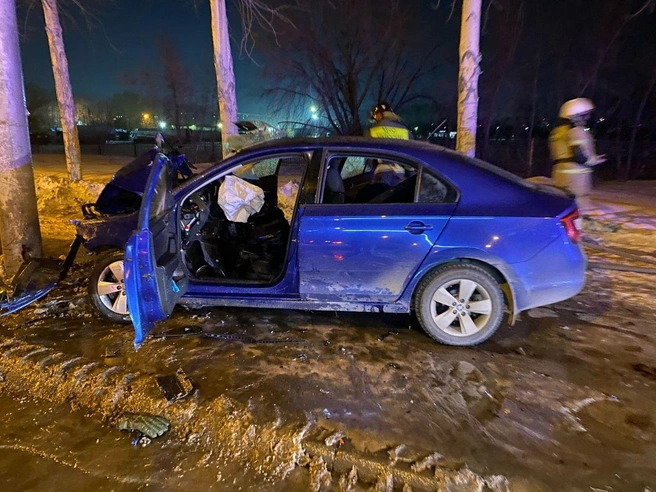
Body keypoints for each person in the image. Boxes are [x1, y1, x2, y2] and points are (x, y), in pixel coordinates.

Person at [549, 98, 606, 198]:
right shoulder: (577, 131)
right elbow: (581, 156)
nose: (587, 118)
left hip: (560, 175)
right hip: (577, 180)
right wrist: (594, 160)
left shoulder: (557, 132)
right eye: (584, 115)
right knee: (578, 207)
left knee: (564, 204)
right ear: (574, 116)